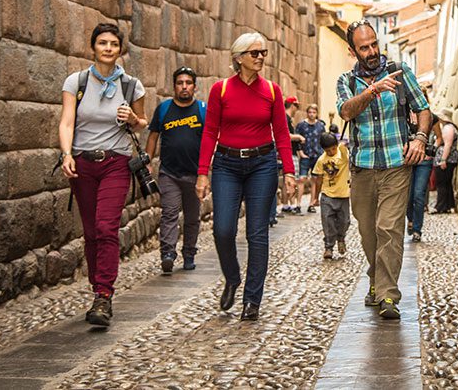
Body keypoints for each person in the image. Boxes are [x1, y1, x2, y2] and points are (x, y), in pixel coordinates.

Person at [196, 32, 297, 321]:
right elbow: (209, 132)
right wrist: (203, 173)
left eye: (263, 52)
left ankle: (252, 300)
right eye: (254, 53)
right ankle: (232, 276)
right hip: (226, 164)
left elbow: (281, 133)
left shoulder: (273, 91)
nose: (261, 57)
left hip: (262, 165)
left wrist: (288, 171)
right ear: (239, 57)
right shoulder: (222, 89)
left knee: (257, 234)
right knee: (223, 230)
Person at [337, 20, 430, 320]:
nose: (372, 51)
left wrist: (420, 138)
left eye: (374, 44)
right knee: (368, 232)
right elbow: (346, 111)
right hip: (363, 167)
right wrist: (373, 90)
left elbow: (423, 108)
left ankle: (389, 295)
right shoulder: (347, 81)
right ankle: (376, 280)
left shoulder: (400, 72)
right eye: (364, 47)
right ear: (353, 51)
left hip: (396, 164)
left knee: (389, 228)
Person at [58, 22, 147, 328]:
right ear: (93, 47)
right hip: (83, 164)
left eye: (113, 44)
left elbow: (141, 123)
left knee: (106, 227)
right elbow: (67, 122)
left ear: (120, 50)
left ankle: (103, 294)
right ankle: (99, 287)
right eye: (102, 43)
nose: (108, 48)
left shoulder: (131, 84)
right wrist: (66, 154)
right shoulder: (76, 81)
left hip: (115, 163)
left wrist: (133, 118)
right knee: (91, 232)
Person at [147, 66, 206, 275]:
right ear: (174, 86)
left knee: (191, 217)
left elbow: (209, 140)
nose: (184, 87)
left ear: (194, 87)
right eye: (180, 83)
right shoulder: (164, 109)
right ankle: (168, 254)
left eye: (188, 83)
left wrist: (205, 173)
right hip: (169, 173)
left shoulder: (202, 109)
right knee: (170, 213)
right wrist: (148, 159)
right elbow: (153, 136)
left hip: (194, 174)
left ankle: (189, 252)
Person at [310, 132, 351, 260]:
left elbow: (347, 146)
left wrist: (342, 145)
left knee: (344, 221)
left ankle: (341, 239)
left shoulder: (343, 155)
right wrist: (315, 197)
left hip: (343, 195)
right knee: (327, 222)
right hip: (327, 195)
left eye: (334, 148)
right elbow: (318, 179)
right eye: (328, 150)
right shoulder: (321, 160)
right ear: (323, 150)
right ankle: (328, 247)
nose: (332, 151)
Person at [406, 107, 439, 242]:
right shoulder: (404, 115)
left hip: (424, 161)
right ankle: (411, 219)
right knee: (408, 195)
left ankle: (417, 229)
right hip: (408, 159)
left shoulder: (432, 118)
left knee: (419, 195)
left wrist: (430, 151)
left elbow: (439, 138)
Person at [296, 104, 327, 213]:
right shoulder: (301, 125)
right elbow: (297, 140)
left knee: (315, 180)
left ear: (316, 113)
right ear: (307, 113)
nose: (312, 114)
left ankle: (312, 203)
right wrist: (300, 152)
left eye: (314, 112)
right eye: (310, 112)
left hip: (317, 156)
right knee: (301, 179)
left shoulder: (320, 126)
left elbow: (324, 140)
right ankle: (298, 204)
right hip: (305, 155)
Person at [432, 107, 458, 214]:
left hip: (447, 159)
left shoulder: (448, 128)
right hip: (449, 159)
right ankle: (447, 205)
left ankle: (440, 206)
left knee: (441, 183)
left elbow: (447, 145)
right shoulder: (449, 127)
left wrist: (443, 160)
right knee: (446, 183)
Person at [283, 97, 306, 214]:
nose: (297, 109)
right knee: (293, 179)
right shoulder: (286, 118)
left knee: (287, 180)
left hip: (290, 152)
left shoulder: (287, 118)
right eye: (296, 106)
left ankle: (287, 204)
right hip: (289, 153)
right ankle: (290, 204)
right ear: (292, 105)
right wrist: (299, 137)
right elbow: (285, 135)